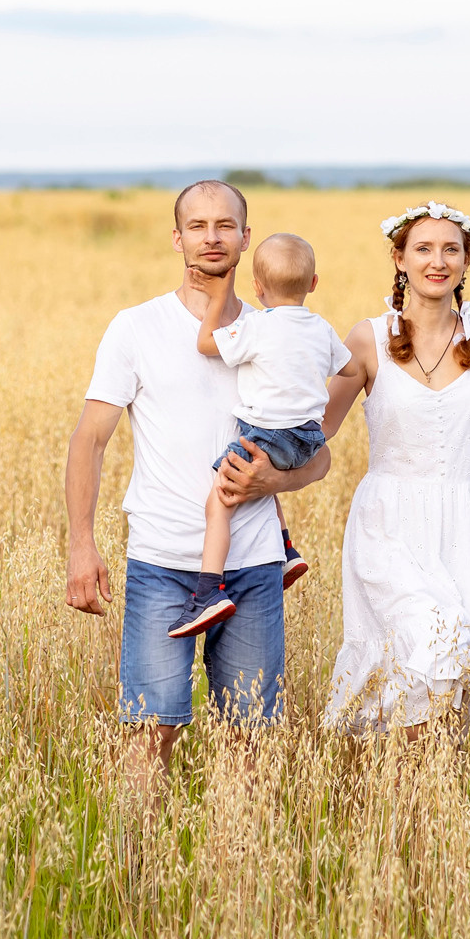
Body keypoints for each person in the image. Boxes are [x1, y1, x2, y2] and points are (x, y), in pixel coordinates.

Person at [64, 180, 332, 779]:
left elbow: (318, 457)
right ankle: (134, 872)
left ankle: (238, 872)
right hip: (162, 561)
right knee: (149, 733)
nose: (211, 237)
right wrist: (82, 545)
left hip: (256, 566)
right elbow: (89, 441)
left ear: (245, 236)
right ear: (177, 237)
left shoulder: (278, 335)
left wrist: (272, 483)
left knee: (251, 744)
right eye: (198, 225)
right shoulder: (135, 328)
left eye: (224, 225)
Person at [319, 200, 470, 734]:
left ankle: (424, 803)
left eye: (451, 250)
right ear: (400, 258)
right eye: (424, 249)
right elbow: (320, 426)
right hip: (387, 519)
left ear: (466, 260)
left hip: (462, 520)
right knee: (431, 636)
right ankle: (385, 786)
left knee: (456, 671)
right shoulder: (367, 339)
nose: (438, 261)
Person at [172, 232, 352, 638]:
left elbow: (205, 343)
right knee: (264, 479)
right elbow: (351, 370)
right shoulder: (321, 327)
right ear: (313, 284)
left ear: (256, 287)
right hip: (306, 438)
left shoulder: (256, 325)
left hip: (266, 434)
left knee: (220, 500)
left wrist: (220, 295)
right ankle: (286, 550)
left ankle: (208, 591)